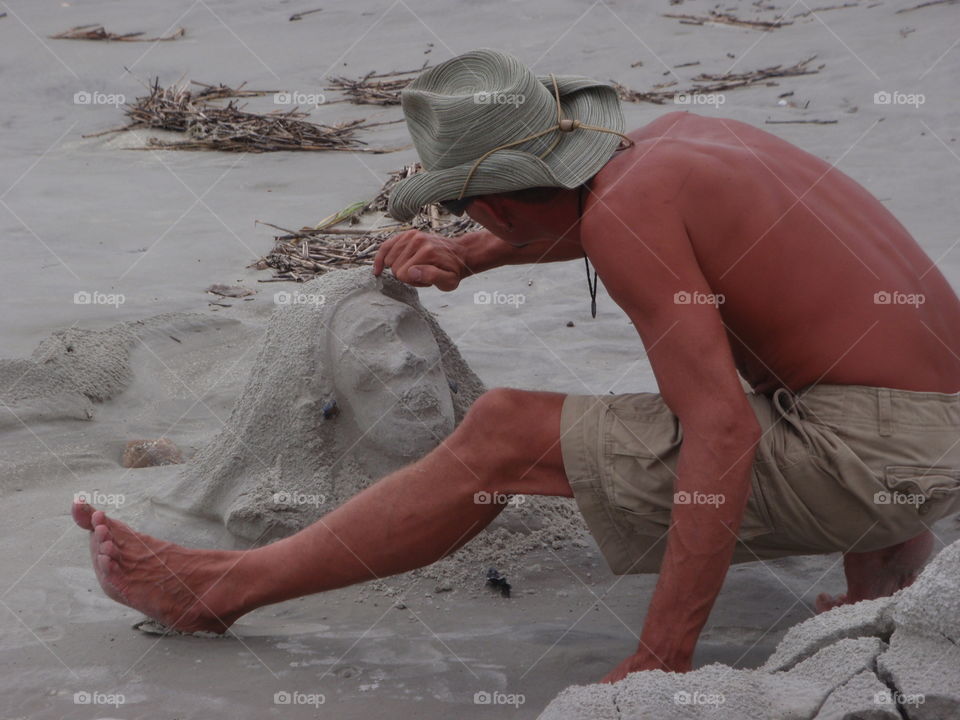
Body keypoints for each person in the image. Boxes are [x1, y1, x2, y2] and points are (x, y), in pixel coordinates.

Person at [73, 49, 960, 682]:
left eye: (474, 214)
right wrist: (474, 253)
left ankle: (222, 589)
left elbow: (720, 430)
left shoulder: (626, 219)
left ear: (490, 194)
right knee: (801, 355)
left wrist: (662, 659)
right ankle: (882, 575)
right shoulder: (683, 144)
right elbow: (608, 221)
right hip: (929, 421)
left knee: (505, 433)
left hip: (883, 448)